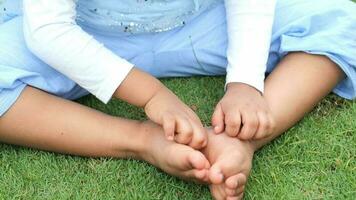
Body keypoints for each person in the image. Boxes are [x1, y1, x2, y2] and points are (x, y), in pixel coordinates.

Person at [0, 0, 355, 199]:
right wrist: (151, 94)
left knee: (338, 20)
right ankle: (142, 141)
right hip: (82, 33)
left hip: (200, 22)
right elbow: (48, 30)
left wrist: (246, 83)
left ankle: (240, 137)